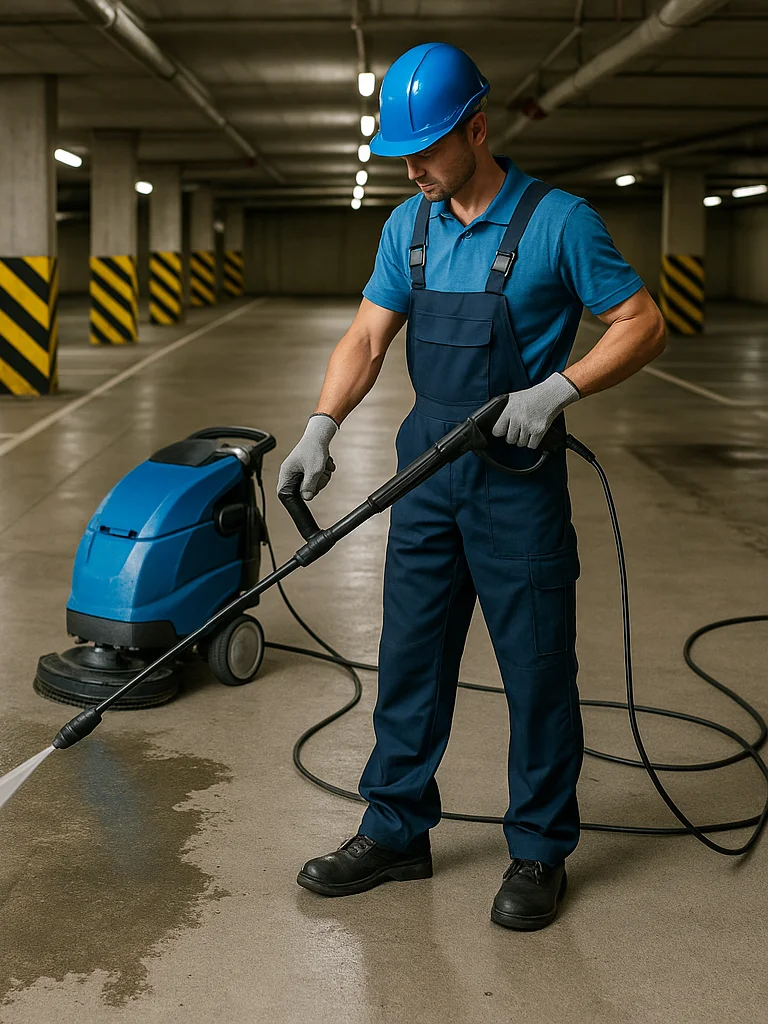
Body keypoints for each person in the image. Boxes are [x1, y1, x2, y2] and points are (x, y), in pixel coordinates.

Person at [278, 42, 665, 931]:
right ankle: (395, 830)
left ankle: (537, 850)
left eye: (427, 152)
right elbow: (368, 339)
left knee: (535, 671)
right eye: (402, 156)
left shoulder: (559, 223)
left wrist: (560, 388)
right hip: (426, 471)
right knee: (409, 658)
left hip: (517, 480)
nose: (412, 170)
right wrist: (321, 426)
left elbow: (642, 323)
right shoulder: (405, 228)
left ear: (479, 130)